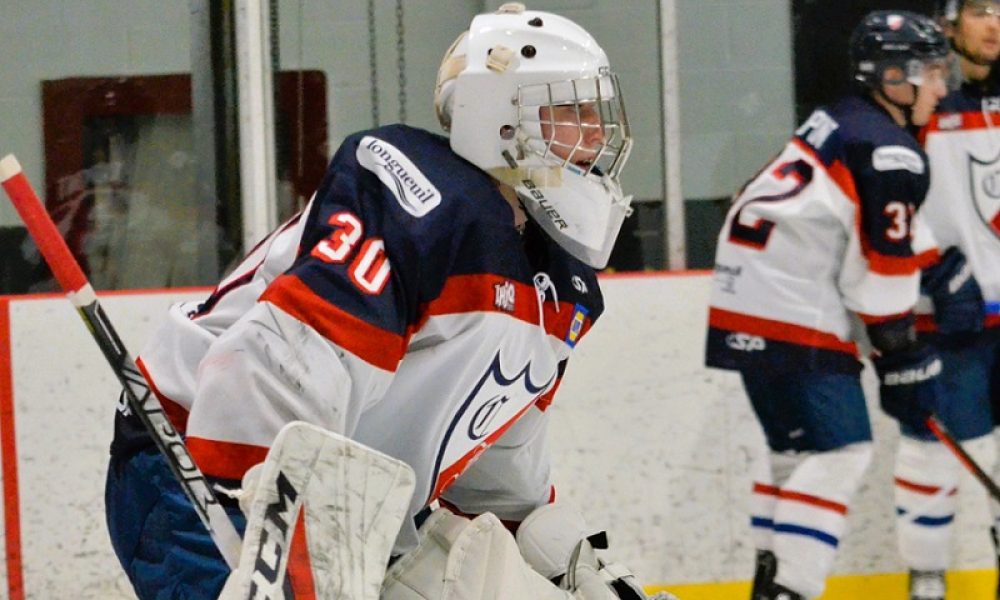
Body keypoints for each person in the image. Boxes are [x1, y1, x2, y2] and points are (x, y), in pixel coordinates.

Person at [103, 3, 663, 599]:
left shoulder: (560, 280)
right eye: (571, 111)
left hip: (357, 507)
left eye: (596, 113)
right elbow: (268, 379)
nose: (598, 134)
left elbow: (498, 468)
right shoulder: (414, 201)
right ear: (502, 118)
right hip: (205, 475)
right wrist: (277, 554)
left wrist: (567, 564)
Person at [704, 11, 950, 600]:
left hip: (740, 299)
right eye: (934, 74)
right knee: (843, 451)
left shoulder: (837, 119)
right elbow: (879, 276)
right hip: (794, 308)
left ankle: (768, 579)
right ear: (896, 77)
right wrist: (898, 350)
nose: (943, 88)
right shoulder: (892, 151)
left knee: (792, 451)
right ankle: (791, 588)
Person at [895, 2, 1000, 599]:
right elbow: (881, 192)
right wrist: (933, 264)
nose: (994, 25)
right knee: (932, 455)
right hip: (949, 314)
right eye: (982, 9)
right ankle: (926, 582)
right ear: (951, 20)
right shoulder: (919, 98)